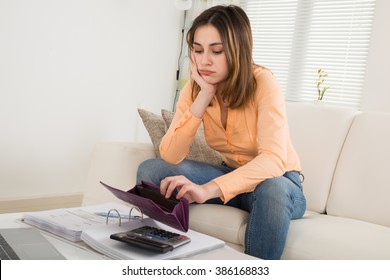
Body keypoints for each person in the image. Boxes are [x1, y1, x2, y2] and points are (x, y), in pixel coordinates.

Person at [136, 4, 306, 260]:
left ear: (238, 50)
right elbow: (170, 155)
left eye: (216, 51)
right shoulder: (196, 89)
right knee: (152, 170)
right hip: (233, 177)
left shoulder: (263, 82)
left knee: (273, 188)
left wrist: (209, 189)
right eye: (198, 50)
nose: (205, 61)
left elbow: (273, 160)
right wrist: (204, 95)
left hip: (280, 183)